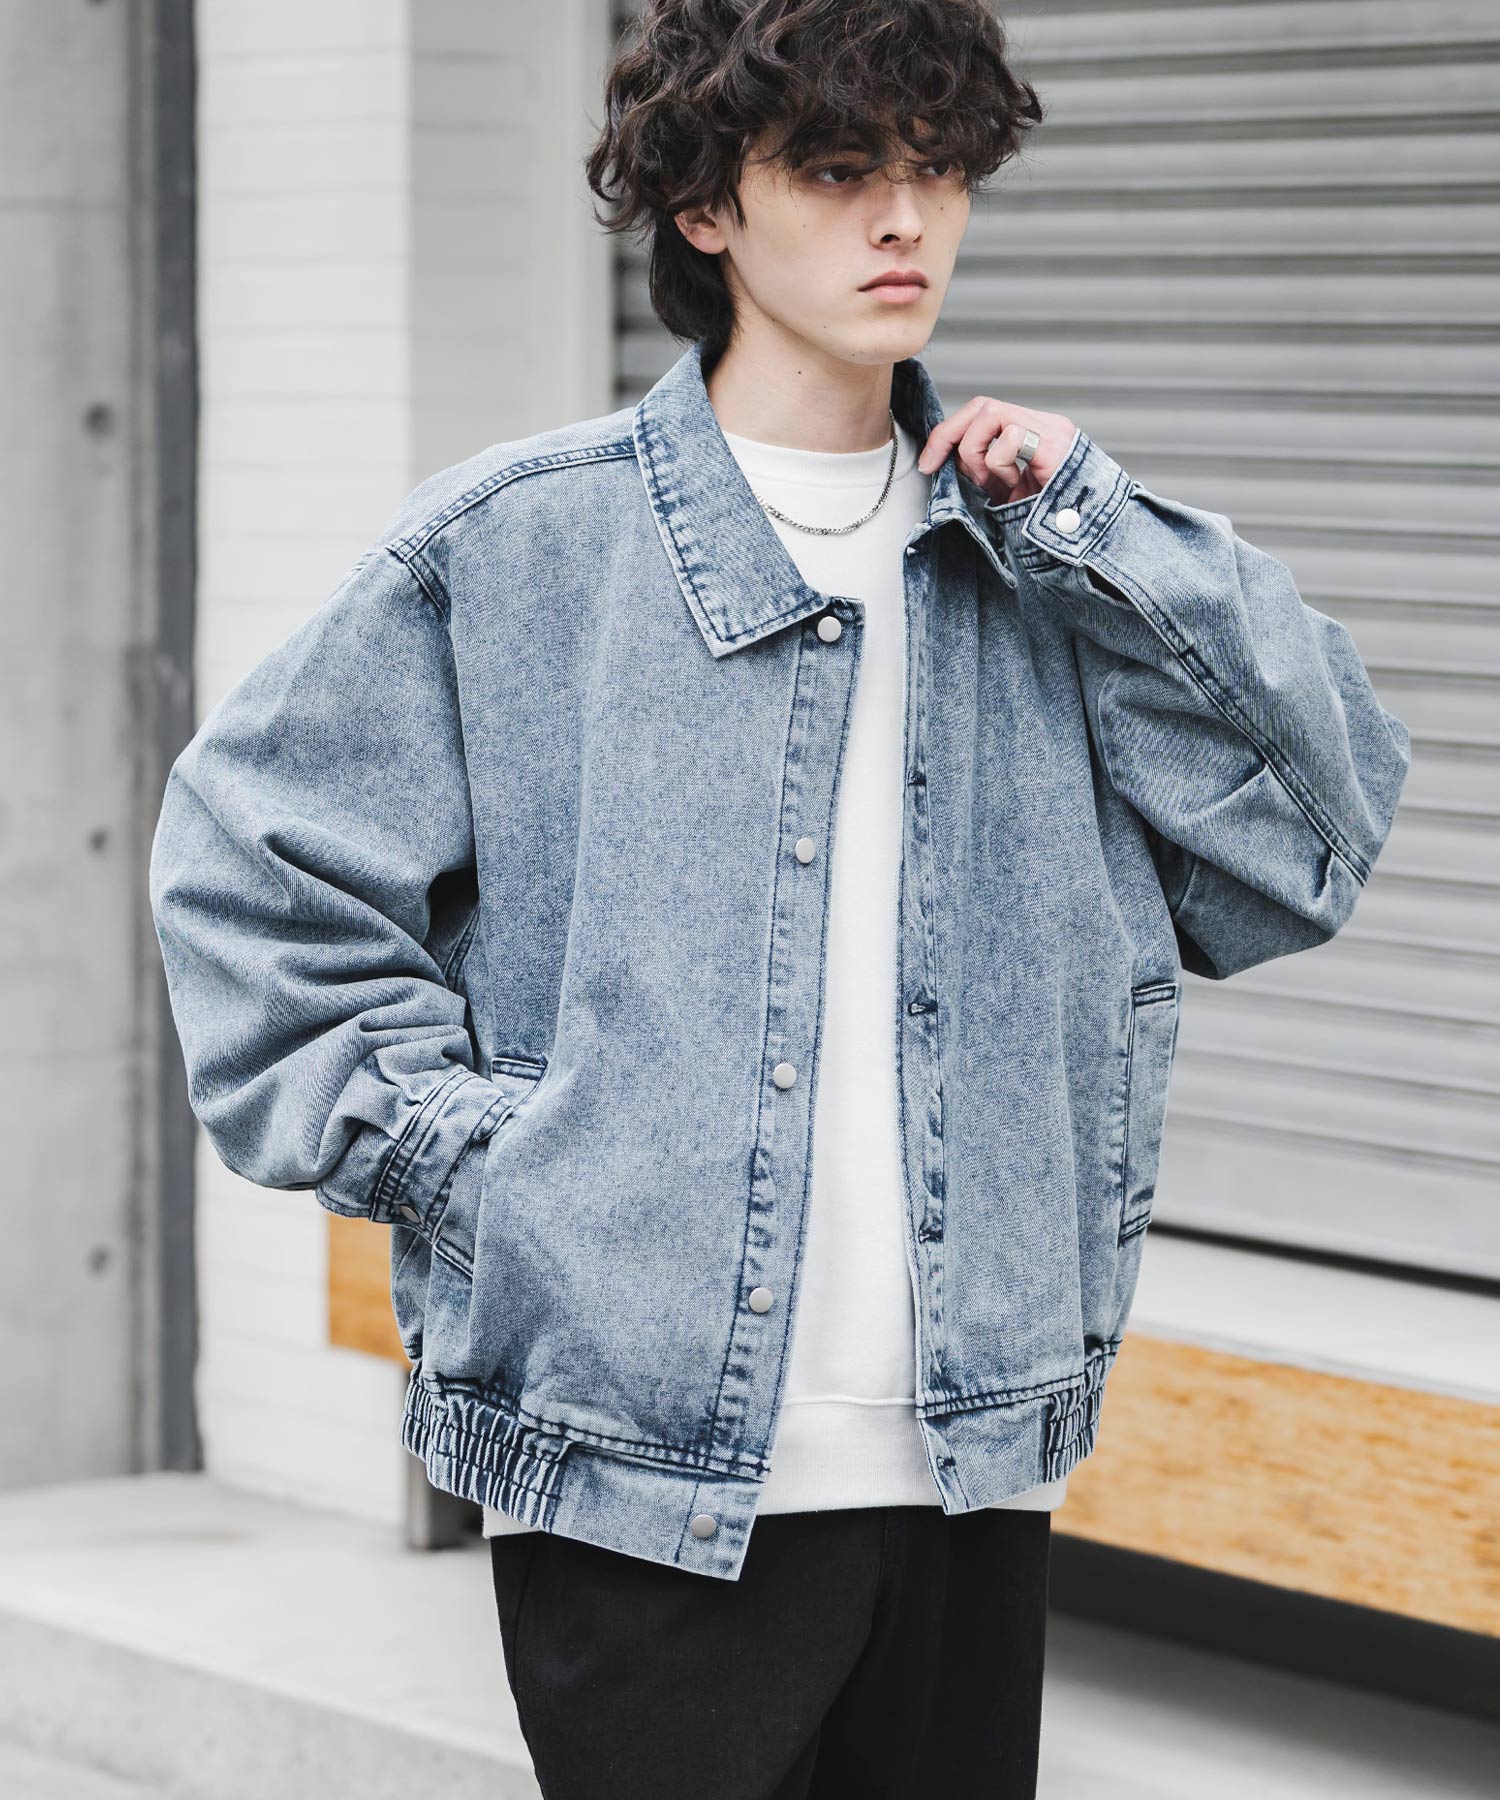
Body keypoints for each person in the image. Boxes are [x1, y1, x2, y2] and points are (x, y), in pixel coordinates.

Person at [147, 2, 1411, 1795]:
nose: (905, 218)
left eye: (937, 169)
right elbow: (248, 874)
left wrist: (1106, 531)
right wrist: (482, 1165)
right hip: (636, 1472)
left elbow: (1313, 841)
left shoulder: (1039, 558)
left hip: (974, 1454)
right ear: (705, 210)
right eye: (836, 171)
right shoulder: (523, 551)